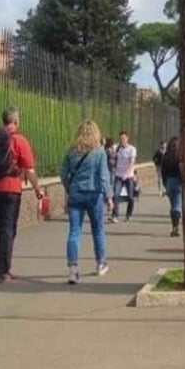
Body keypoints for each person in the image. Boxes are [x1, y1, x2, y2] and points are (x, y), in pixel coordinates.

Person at [0, 106, 43, 284]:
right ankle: (3, 271)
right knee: (8, 229)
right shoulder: (20, 140)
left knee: (0, 227)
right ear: (16, 121)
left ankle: (0, 266)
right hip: (12, 189)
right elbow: (29, 169)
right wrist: (37, 189)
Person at [60, 120, 112, 283]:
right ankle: (100, 263)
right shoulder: (99, 152)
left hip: (76, 193)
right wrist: (109, 197)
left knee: (74, 231)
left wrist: (69, 189)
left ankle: (73, 269)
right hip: (94, 194)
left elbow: (63, 174)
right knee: (98, 230)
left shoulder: (71, 152)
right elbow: (104, 177)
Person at [111, 131, 138, 222]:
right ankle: (115, 216)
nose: (122, 140)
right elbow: (112, 158)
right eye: (120, 139)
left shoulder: (132, 149)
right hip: (118, 175)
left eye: (123, 139)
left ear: (127, 138)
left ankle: (128, 214)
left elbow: (132, 162)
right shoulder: (116, 148)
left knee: (130, 197)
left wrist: (127, 173)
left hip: (128, 176)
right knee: (116, 195)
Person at [159, 137, 183, 237]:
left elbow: (163, 172)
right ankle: (175, 228)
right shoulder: (180, 157)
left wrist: (165, 185)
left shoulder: (165, 157)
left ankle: (174, 226)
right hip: (178, 182)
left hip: (169, 182)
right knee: (177, 206)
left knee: (173, 205)